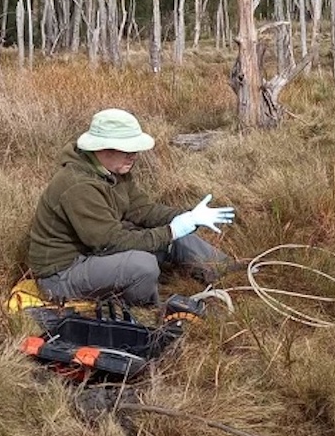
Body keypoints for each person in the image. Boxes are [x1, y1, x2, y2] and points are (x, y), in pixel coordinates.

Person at [27, 108, 238, 306]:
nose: (134, 155)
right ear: (102, 148)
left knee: (179, 235)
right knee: (142, 265)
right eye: (128, 149)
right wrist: (171, 231)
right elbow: (110, 242)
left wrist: (189, 217)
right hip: (61, 274)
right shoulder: (77, 185)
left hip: (92, 253)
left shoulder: (114, 171)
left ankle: (231, 274)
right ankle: (147, 310)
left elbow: (144, 211)